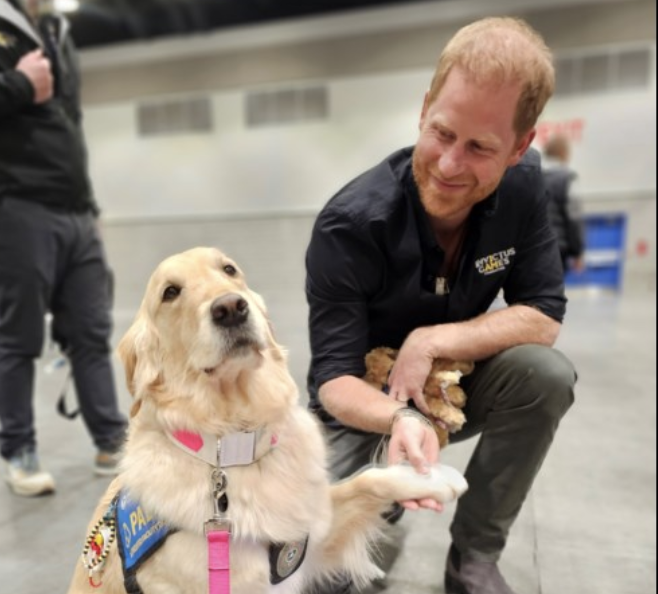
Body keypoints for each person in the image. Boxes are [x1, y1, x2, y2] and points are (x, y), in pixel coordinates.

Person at [305, 16, 576, 594]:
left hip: (455, 385)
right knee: (318, 571)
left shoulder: (526, 188)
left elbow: (543, 313)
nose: (451, 164)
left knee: (545, 376)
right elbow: (332, 379)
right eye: (442, 133)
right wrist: (402, 417)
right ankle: (390, 487)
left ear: (520, 146)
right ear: (425, 107)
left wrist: (430, 341)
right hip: (363, 406)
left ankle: (474, 556)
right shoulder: (349, 225)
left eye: (480, 147)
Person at [0, 0, 128, 497]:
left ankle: (110, 441)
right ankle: (19, 450)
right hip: (17, 205)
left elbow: (71, 123)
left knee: (91, 332)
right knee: (19, 338)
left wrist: (89, 209)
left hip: (75, 209)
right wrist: (19, 86)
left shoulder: (56, 28)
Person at [542, 133, 586, 274]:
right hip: (557, 249)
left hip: (530, 248)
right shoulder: (568, 178)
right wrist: (578, 252)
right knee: (552, 293)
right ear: (564, 153)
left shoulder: (532, 174)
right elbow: (574, 217)